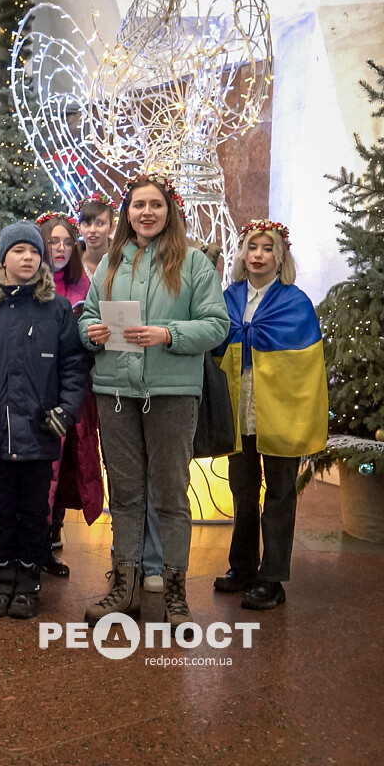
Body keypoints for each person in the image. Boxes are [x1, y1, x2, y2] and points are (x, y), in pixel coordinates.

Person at [80, 173, 229, 629]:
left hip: (171, 394)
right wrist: (91, 333)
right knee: (124, 495)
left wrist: (169, 333)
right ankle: (122, 586)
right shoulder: (109, 264)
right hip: (116, 392)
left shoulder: (194, 264)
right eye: (138, 205)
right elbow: (86, 316)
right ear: (127, 213)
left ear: (170, 211)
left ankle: (174, 592)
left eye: (156, 205)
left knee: (169, 495)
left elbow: (217, 325)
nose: (146, 212)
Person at [0, 222, 88, 619]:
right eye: (19, 251)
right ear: (3, 258)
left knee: (33, 511)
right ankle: (3, 577)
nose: (27, 258)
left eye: (33, 251)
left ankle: (27, 580)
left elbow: (73, 366)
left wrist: (65, 410)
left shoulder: (56, 308)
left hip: (40, 432)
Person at [214, 220, 327, 611]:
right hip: (240, 407)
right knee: (242, 491)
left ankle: (272, 577)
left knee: (279, 495)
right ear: (243, 254)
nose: (259, 254)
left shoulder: (295, 303)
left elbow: (305, 367)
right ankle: (242, 567)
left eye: (267, 248)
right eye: (252, 247)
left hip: (279, 411)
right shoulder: (228, 298)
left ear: (280, 257)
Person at [37, 211, 104, 579]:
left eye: (66, 242)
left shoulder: (85, 286)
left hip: (75, 391)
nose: (61, 249)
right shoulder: (30, 283)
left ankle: (49, 542)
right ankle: (30, 544)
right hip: (37, 392)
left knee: (66, 472)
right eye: (53, 242)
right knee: (41, 470)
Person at [76, 192, 118, 281]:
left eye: (100, 224)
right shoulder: (73, 263)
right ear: (79, 228)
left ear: (111, 227)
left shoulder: (121, 262)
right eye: (87, 224)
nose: (92, 230)